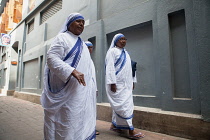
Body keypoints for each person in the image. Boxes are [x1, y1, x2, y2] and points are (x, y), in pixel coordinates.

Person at [41, 13, 96, 140]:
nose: (81, 24)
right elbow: (51, 58)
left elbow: (87, 69)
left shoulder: (82, 44)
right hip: (65, 92)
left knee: (77, 122)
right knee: (64, 122)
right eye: (78, 21)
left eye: (83, 22)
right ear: (69, 23)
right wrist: (72, 71)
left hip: (79, 93)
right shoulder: (62, 38)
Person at [105, 33, 145, 139]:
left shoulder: (126, 53)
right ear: (116, 41)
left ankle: (115, 125)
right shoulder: (112, 51)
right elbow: (109, 68)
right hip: (117, 84)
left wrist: (132, 82)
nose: (123, 41)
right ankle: (131, 130)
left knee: (124, 106)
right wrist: (112, 83)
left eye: (124, 39)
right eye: (121, 39)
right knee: (124, 107)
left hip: (126, 85)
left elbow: (130, 69)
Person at [85, 41, 100, 135]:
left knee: (91, 109)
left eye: (91, 47)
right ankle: (86, 129)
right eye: (88, 47)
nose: (90, 49)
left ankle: (91, 128)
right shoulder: (81, 59)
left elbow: (93, 76)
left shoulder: (90, 60)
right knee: (85, 109)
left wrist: (96, 89)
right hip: (84, 90)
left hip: (91, 89)